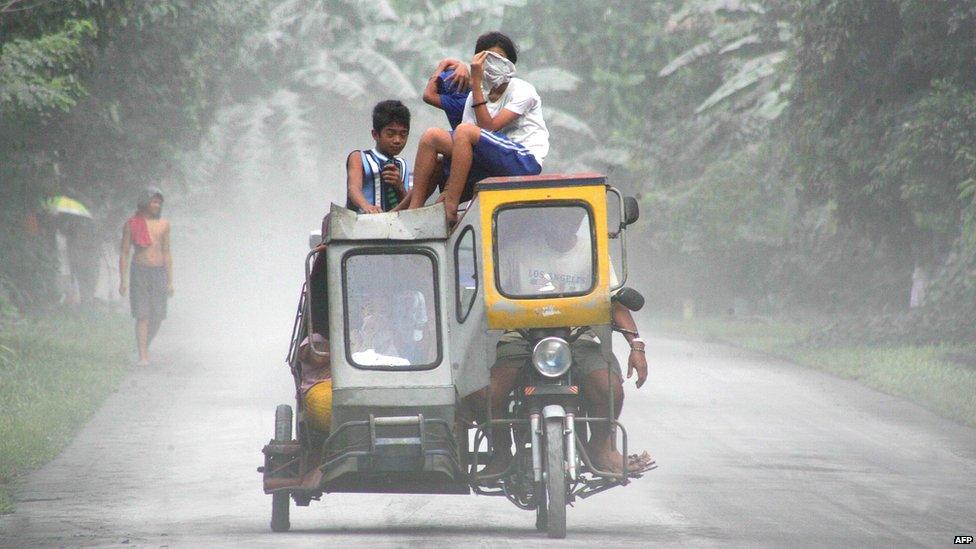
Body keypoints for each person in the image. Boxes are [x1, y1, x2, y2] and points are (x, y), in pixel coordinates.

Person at [480, 207, 648, 476]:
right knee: (489, 394)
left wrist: (636, 346)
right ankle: (501, 452)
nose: (562, 224)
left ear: (580, 218)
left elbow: (614, 301)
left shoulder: (593, 253)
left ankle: (602, 448)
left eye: (571, 218)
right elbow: (489, 300)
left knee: (610, 388)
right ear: (545, 218)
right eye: (556, 217)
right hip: (520, 337)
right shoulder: (517, 252)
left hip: (578, 335)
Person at [407, 31, 550, 223]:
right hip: (490, 159)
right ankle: (413, 210)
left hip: (523, 160)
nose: (493, 64)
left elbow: (487, 128)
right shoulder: (476, 96)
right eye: (488, 58)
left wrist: (475, 83)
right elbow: (462, 143)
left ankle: (450, 206)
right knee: (431, 137)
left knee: (464, 132)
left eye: (500, 59)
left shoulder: (523, 90)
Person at [119, 188, 172, 366]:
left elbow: (166, 252)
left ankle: (144, 346)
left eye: (159, 202)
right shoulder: (132, 224)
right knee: (143, 315)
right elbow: (125, 252)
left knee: (157, 316)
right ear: (144, 203)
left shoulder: (164, 224)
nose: (157, 205)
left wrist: (170, 281)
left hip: (158, 273)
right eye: (153, 201)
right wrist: (123, 280)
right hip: (139, 271)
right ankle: (143, 356)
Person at [346, 100, 411, 214]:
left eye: (403, 134)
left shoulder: (403, 165)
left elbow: (410, 205)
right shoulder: (359, 157)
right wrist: (367, 207)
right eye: (390, 134)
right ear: (375, 134)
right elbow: (353, 189)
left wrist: (400, 187)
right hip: (363, 224)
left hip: (394, 227)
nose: (397, 140)